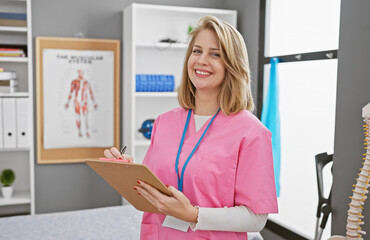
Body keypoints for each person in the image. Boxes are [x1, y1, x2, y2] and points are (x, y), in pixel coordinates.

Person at [103, 15, 278, 240]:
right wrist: (127, 173)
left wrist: (192, 214)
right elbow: (153, 194)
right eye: (197, 51)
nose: (202, 60)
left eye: (215, 54)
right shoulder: (164, 122)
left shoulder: (252, 133)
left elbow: (256, 218)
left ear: (233, 65)